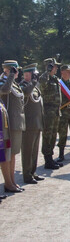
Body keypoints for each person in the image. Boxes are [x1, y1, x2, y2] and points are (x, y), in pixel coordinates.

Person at [0, 60, 25, 192]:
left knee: (14, 154)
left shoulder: (14, 83)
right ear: (9, 70)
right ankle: (8, 183)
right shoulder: (3, 80)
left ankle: (12, 182)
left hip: (16, 122)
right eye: (15, 70)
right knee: (7, 154)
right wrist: (9, 75)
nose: (17, 73)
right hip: (7, 124)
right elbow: (4, 90)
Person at [20, 63, 45, 184]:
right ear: (26, 75)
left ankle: (33, 172)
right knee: (27, 151)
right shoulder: (23, 86)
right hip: (28, 124)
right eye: (33, 74)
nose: (35, 76)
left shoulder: (35, 86)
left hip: (37, 123)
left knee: (34, 150)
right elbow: (26, 93)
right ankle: (27, 175)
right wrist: (33, 82)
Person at [39, 58, 63, 169]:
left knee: (53, 135)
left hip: (56, 111)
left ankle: (51, 158)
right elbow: (42, 84)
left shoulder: (55, 79)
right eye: (55, 66)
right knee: (47, 136)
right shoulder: (45, 78)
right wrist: (47, 72)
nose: (57, 68)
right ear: (49, 67)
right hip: (48, 112)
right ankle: (47, 159)